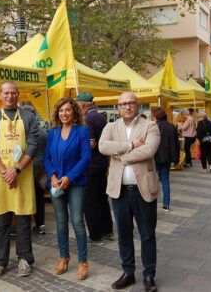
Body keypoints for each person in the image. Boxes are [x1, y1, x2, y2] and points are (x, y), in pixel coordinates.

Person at [99, 91, 160, 292]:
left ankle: (149, 274)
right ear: (118, 107)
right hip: (119, 191)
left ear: (138, 105)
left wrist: (121, 156)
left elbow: (149, 150)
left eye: (131, 103)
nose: (127, 107)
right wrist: (132, 145)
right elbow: (103, 146)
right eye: (123, 104)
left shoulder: (150, 125)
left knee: (147, 235)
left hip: (143, 190)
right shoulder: (110, 126)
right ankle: (128, 272)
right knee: (124, 234)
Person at [0, 81, 39, 278]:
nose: (10, 96)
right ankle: (0, 261)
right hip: (0, 175)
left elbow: (32, 145)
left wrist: (16, 170)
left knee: (23, 218)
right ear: (0, 95)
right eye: (6, 93)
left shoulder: (29, 117)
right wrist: (5, 171)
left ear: (18, 95)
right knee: (2, 220)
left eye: (13, 93)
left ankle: (25, 259)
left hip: (22, 174)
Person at [44, 97, 92, 280]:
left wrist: (69, 178)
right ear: (58, 113)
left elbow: (85, 158)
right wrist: (54, 176)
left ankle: (83, 262)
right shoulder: (53, 133)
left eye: (68, 110)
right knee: (61, 221)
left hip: (76, 183)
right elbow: (46, 158)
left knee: (78, 222)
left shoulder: (82, 131)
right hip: (56, 183)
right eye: (61, 110)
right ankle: (63, 257)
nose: (64, 113)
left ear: (74, 113)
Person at [76, 91, 114, 242]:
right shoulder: (100, 116)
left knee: (90, 201)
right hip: (102, 163)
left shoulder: (87, 118)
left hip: (91, 164)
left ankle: (96, 233)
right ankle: (108, 229)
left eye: (77, 105)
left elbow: (91, 143)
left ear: (83, 105)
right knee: (102, 198)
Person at [21, 105, 48, 235]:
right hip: (42, 168)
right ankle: (40, 223)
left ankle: (25, 225)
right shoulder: (43, 131)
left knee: (26, 197)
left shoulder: (26, 132)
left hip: (29, 167)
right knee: (39, 197)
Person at [153, 108, 180, 212]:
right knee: (165, 180)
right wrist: (176, 158)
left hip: (155, 157)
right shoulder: (171, 126)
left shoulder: (154, 127)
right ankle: (166, 205)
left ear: (156, 116)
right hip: (167, 158)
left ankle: (149, 202)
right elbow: (176, 144)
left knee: (150, 179)